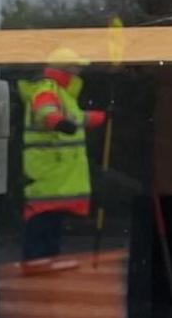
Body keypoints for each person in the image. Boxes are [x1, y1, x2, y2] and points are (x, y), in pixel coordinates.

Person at [17, 48, 107, 271]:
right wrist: (57, 122)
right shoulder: (47, 88)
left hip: (56, 172)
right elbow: (46, 111)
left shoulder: (63, 93)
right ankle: (37, 261)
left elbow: (75, 118)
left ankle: (46, 260)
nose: (79, 71)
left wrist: (101, 117)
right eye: (75, 66)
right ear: (65, 68)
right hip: (48, 170)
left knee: (51, 217)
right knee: (42, 216)